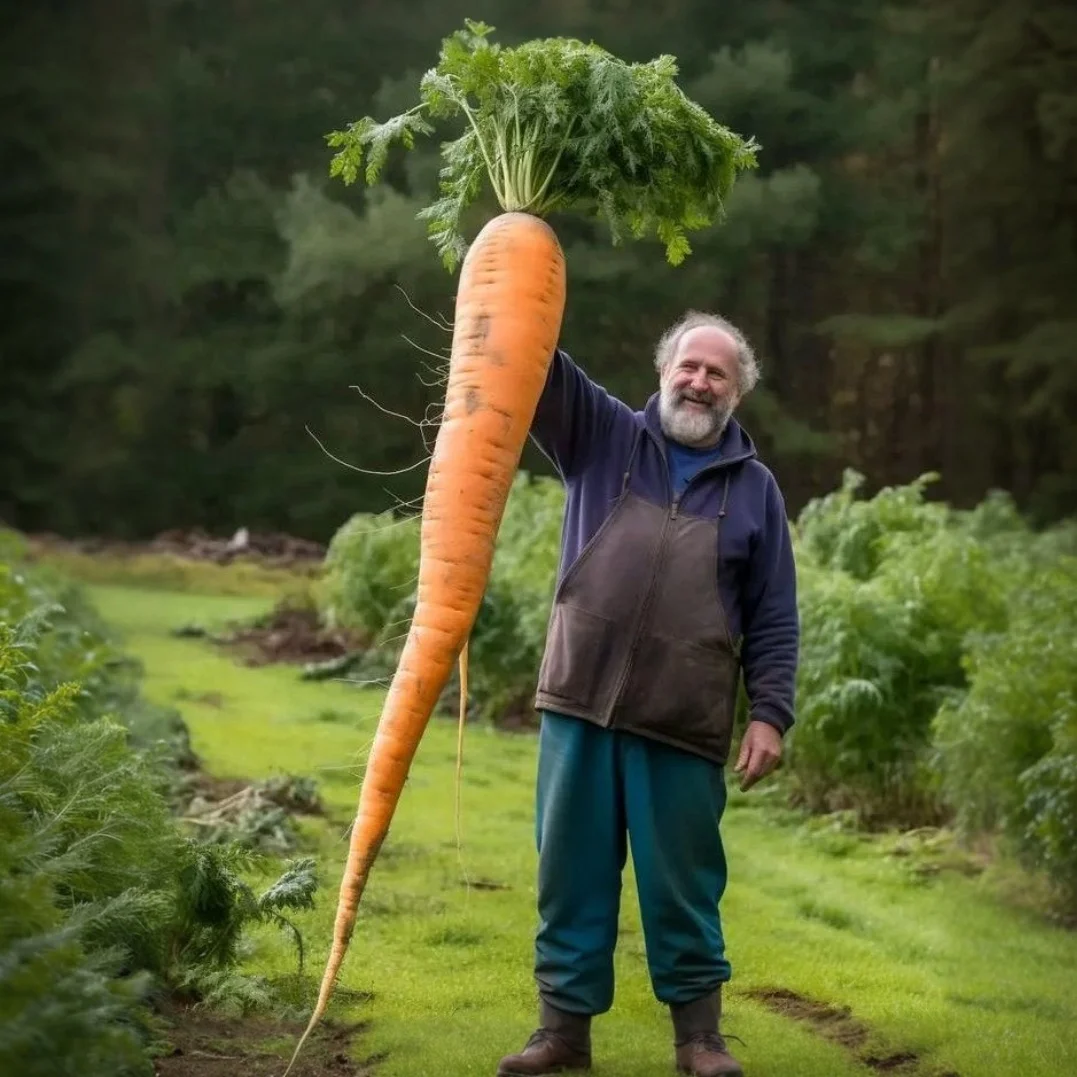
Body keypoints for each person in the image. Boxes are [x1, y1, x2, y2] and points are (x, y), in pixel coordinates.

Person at [495, 311, 800, 1077]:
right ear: (662, 372)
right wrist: (516, 265)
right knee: (569, 876)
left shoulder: (755, 491)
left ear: (737, 392)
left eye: (716, 372)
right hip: (579, 699)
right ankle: (562, 1034)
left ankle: (699, 1040)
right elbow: (537, 357)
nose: (698, 381)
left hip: (683, 717)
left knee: (683, 887)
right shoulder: (601, 435)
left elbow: (773, 614)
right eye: (687, 366)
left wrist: (769, 714)